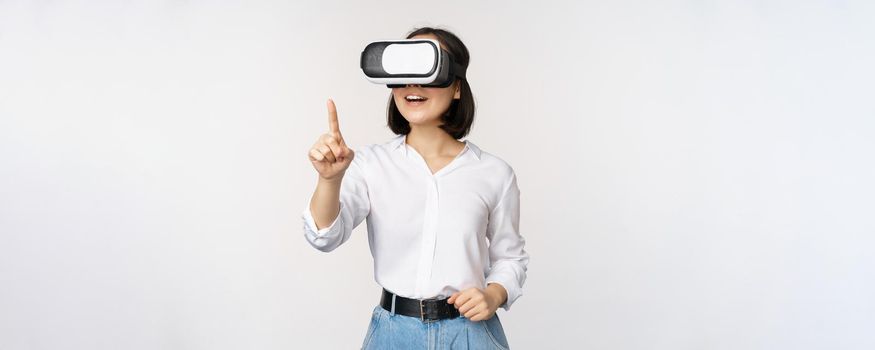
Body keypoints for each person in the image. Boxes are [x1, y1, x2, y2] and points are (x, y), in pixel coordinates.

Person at [302, 26, 529, 350]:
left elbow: (511, 258)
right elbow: (324, 236)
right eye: (404, 71)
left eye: (427, 70)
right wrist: (329, 180)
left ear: (457, 88)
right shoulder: (369, 164)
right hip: (393, 334)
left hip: (471, 334)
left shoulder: (494, 173)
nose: (412, 84)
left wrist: (494, 294)